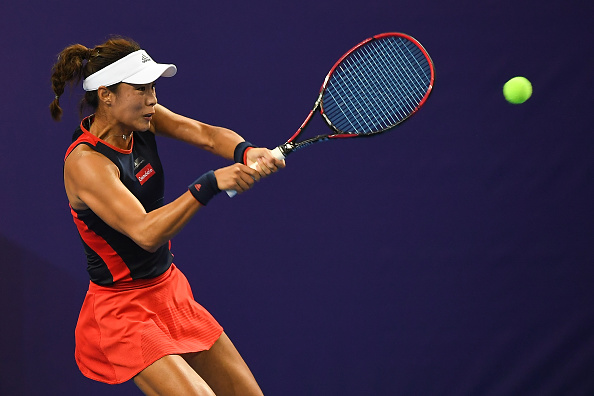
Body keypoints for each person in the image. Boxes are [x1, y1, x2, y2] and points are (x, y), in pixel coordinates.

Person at [50, 36, 284, 395]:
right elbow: (144, 232)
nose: (153, 99)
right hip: (122, 311)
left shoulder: (145, 120)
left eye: (153, 88)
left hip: (168, 290)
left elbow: (205, 135)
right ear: (106, 95)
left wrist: (246, 151)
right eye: (141, 89)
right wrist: (209, 184)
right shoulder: (86, 164)